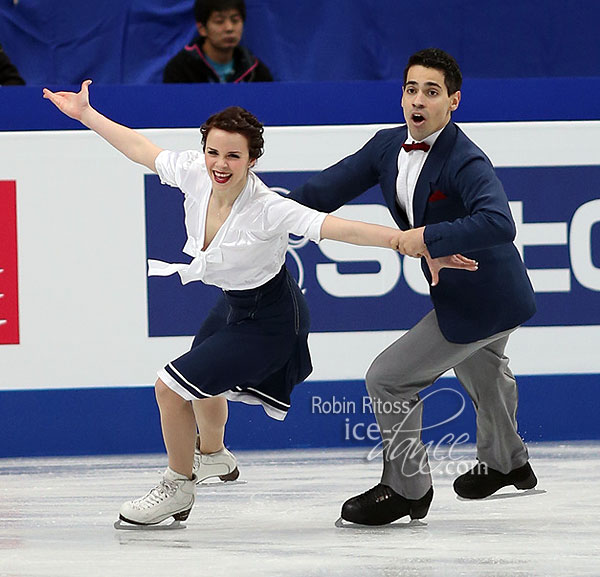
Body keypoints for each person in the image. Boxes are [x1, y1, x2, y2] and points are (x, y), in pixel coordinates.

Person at [42, 80, 477, 527]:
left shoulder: (269, 208)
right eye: (214, 152)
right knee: (198, 382)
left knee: (170, 387)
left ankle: (177, 485)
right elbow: (140, 148)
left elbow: (339, 228)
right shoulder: (195, 171)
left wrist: (414, 242)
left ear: (253, 160)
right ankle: (212, 456)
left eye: (233, 156)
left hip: (271, 320)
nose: (220, 164)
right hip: (234, 305)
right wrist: (86, 115)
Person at [289, 48, 538, 526]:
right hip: (482, 291)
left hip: (483, 298)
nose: (418, 101)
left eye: (431, 91)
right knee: (483, 371)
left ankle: (406, 489)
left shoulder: (464, 159)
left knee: (389, 378)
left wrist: (426, 237)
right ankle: (508, 463)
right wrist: (266, 207)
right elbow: (324, 192)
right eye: (411, 89)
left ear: (453, 101)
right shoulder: (387, 147)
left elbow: (498, 222)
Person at [163, 0, 272, 84]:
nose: (229, 28)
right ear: (202, 29)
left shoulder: (255, 71)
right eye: (219, 21)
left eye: (235, 20)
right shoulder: (180, 69)